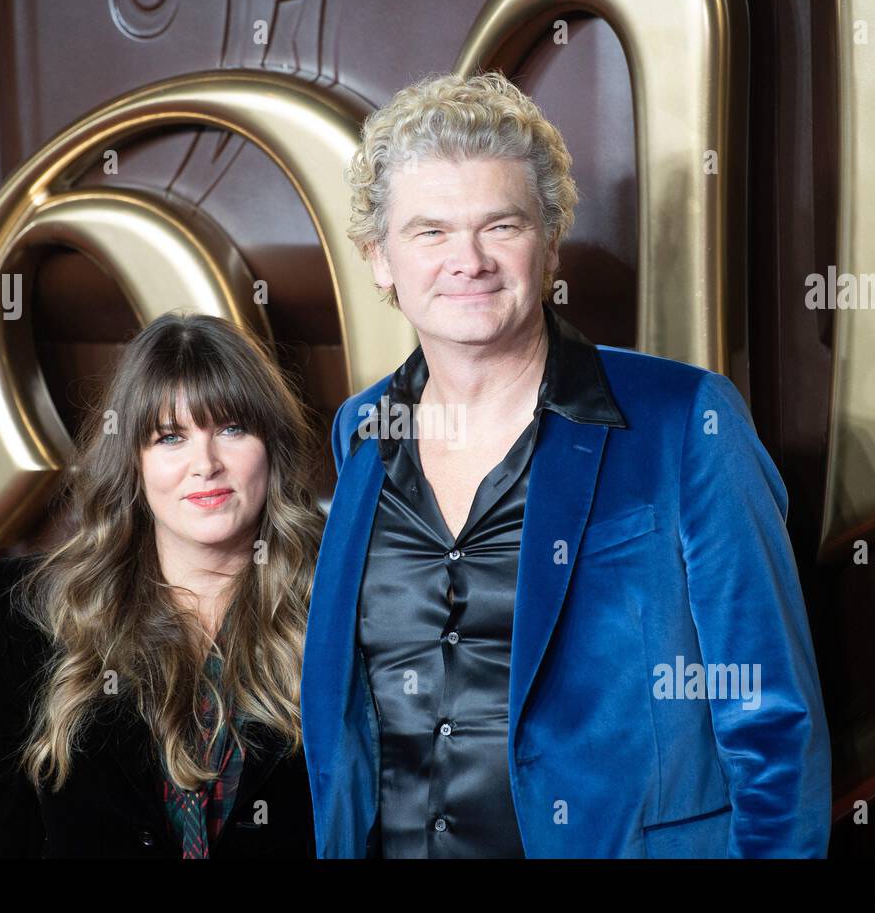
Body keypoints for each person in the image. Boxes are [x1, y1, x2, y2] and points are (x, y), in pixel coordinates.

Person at [301, 71, 832, 858]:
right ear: (380, 259)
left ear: (549, 241)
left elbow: (770, 715)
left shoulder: (685, 419)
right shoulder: (361, 431)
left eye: (500, 226)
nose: (468, 260)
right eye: (431, 232)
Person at [0, 312, 323, 857]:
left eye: (231, 428)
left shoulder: (341, 604)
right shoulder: (36, 613)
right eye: (170, 437)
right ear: (134, 462)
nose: (206, 464)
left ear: (271, 447)